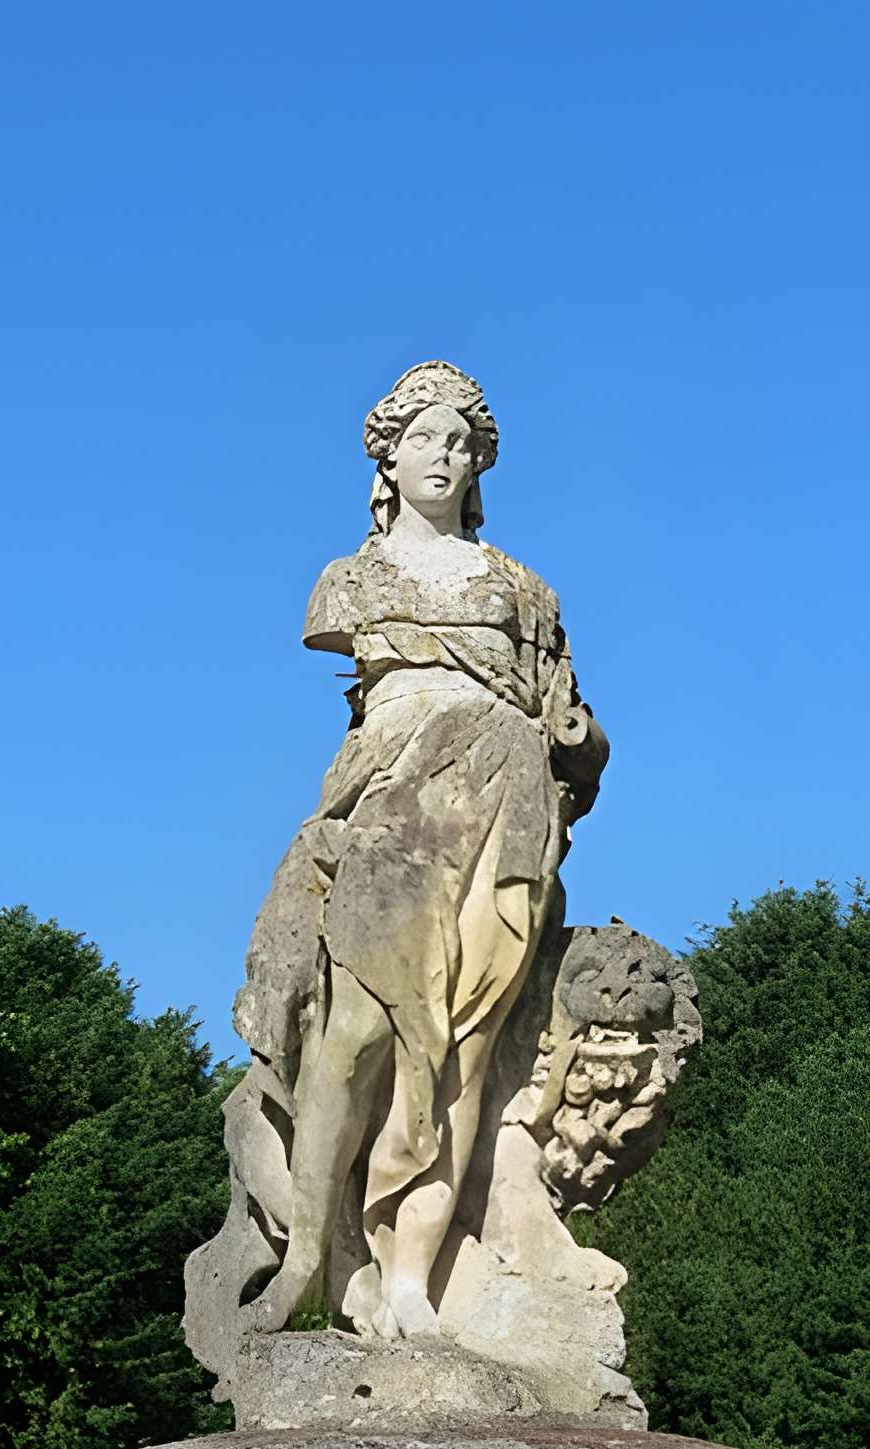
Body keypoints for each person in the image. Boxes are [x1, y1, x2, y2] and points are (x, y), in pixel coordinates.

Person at [226, 361, 607, 1343]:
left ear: (479, 463)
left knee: (464, 1056)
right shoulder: (350, 583)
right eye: (425, 438)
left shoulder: (524, 591)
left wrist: (572, 741)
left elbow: (581, 732)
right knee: (356, 1035)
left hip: (506, 815)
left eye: (461, 442)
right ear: (388, 455)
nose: (444, 454)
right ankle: (311, 1256)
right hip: (396, 812)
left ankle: (410, 1279)